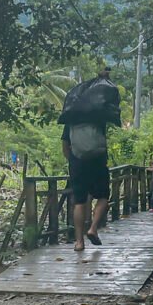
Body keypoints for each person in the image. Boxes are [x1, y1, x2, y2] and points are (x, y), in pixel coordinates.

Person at [61, 68, 116, 252]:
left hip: (78, 162)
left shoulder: (70, 119)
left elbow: (65, 146)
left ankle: (79, 242)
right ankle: (93, 228)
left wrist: (73, 160)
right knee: (103, 197)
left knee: (79, 202)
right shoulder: (98, 116)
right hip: (98, 160)